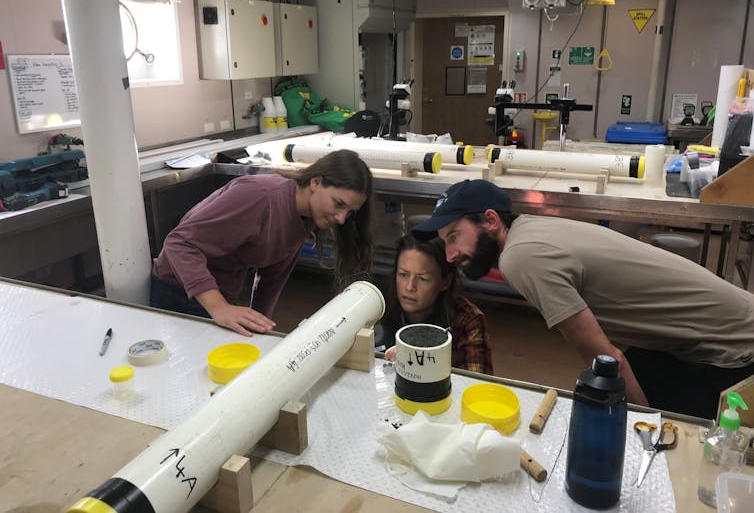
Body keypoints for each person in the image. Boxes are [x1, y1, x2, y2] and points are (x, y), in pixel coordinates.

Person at [412, 178, 754, 419]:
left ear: (490, 220)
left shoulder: (521, 257)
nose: (451, 254)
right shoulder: (530, 227)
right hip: (714, 333)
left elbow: (608, 361)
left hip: (735, 355)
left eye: (455, 236)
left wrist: (642, 425)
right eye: (445, 242)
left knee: (667, 440)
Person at [151, 149, 374, 336]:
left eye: (349, 212)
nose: (341, 218)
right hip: (179, 293)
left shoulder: (305, 216)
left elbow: (273, 276)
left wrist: (261, 323)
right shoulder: (260, 196)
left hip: (219, 297)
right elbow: (179, 243)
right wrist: (219, 307)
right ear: (316, 182)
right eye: (338, 204)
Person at [380, 234, 493, 375]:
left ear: (445, 282)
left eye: (423, 278)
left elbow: (477, 387)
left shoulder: (467, 320)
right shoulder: (377, 308)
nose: (409, 287)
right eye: (403, 274)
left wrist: (418, 360)